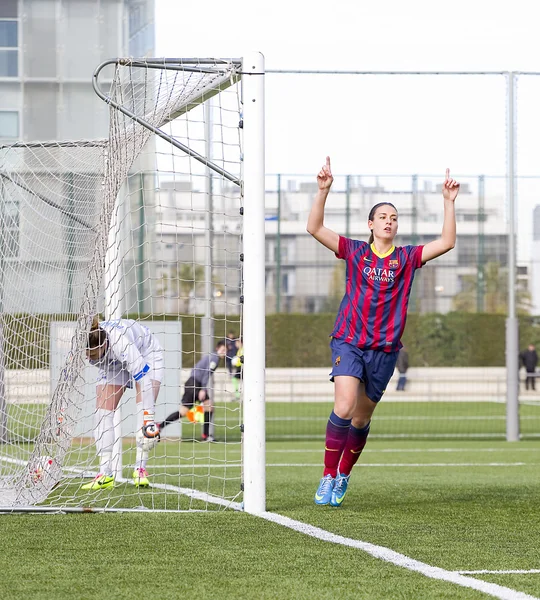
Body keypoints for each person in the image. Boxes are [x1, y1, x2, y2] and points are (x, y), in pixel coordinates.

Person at [307, 157, 459, 507]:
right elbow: (315, 228)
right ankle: (328, 474)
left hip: (385, 350)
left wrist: (448, 203)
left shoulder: (406, 258)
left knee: (360, 418)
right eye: (383, 217)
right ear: (371, 224)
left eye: (394, 218)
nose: (389, 222)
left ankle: (344, 473)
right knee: (344, 405)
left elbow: (447, 242)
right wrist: (323, 191)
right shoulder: (356, 251)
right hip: (349, 341)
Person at [83, 317, 164, 490]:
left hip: (146, 351)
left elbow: (145, 381)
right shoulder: (83, 343)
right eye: (86, 353)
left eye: (93, 354)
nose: (88, 357)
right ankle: (105, 473)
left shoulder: (122, 345)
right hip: (113, 363)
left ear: (103, 345)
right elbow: (68, 379)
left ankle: (140, 468)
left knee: (143, 408)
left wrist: (149, 420)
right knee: (102, 413)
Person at [158, 340, 227, 441]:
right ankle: (206, 436)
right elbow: (206, 373)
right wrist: (203, 389)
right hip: (194, 384)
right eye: (223, 350)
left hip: (192, 383)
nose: (224, 352)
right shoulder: (214, 359)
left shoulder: (212, 357)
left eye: (226, 351)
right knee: (205, 407)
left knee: (189, 410)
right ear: (217, 348)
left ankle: (160, 426)